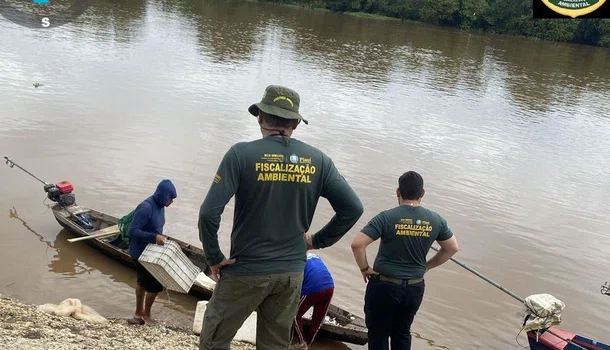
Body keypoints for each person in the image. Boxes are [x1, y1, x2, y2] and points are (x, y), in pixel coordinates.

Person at [198, 85, 364, 350]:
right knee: (275, 345)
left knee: (214, 340)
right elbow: (353, 208)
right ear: (296, 123)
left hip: (245, 270)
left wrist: (214, 257)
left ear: (261, 117)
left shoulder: (240, 155)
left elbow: (208, 213)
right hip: (291, 274)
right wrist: (316, 241)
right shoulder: (319, 161)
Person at [350, 171, 459, 350]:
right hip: (414, 287)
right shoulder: (436, 219)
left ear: (398, 191)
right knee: (402, 332)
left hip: (384, 286)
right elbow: (452, 248)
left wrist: (364, 268)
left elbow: (357, 244)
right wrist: (427, 266)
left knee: (378, 334)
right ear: (422, 193)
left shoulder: (386, 217)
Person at [127, 179, 177, 326]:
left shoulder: (160, 206)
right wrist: (154, 237)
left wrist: (160, 237)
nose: (171, 202)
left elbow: (154, 227)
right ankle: (146, 315)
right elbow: (133, 231)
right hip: (141, 253)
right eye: (170, 198)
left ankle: (138, 314)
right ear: (162, 195)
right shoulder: (145, 208)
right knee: (155, 286)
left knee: (142, 282)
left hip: (150, 251)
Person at [292, 252, 335, 349]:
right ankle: (309, 344)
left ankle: (302, 343)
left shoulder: (295, 258)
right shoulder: (314, 255)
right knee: (317, 320)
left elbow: (295, 282)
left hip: (313, 287)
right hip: (330, 286)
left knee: (294, 315)